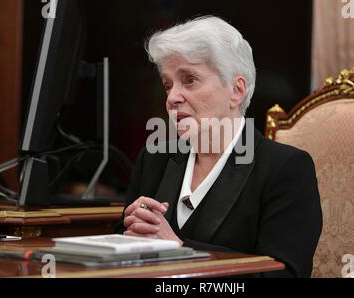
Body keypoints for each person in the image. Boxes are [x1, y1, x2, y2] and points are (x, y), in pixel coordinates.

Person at [118, 16, 322, 277]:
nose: (172, 98)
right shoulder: (154, 159)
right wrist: (128, 235)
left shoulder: (286, 169)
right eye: (167, 85)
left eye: (189, 79)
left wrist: (179, 249)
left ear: (236, 90)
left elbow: (284, 275)